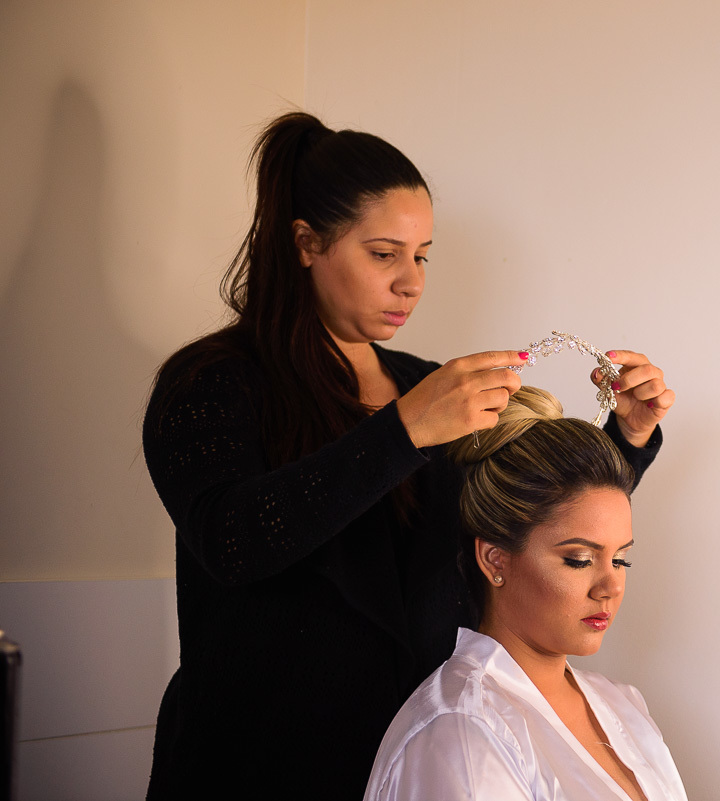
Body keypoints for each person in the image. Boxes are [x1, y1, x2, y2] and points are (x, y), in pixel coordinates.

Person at [141, 111, 674, 800]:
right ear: (307, 243)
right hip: (253, 767)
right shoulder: (211, 384)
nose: (411, 282)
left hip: (418, 762)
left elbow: (526, 518)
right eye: (384, 253)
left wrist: (626, 439)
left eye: (422, 256)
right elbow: (234, 541)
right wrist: (402, 431)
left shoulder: (429, 385)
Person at [364, 387, 688, 801]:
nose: (612, 587)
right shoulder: (460, 734)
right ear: (495, 560)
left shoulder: (622, 703)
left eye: (620, 560)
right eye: (579, 559)